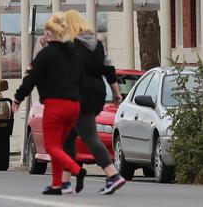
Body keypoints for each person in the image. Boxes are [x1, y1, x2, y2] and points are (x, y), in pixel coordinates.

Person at [13, 12, 85, 195]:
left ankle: (76, 170)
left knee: (51, 146)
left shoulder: (46, 55)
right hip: (74, 105)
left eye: (46, 32)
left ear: (53, 33)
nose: (44, 36)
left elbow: (31, 79)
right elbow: (81, 79)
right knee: (59, 146)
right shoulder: (74, 54)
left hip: (55, 105)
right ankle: (56, 185)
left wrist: (17, 99)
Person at [60, 11, 127, 195]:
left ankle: (113, 175)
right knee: (68, 137)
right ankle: (65, 183)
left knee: (90, 136)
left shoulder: (69, 45)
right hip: (96, 93)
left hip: (79, 96)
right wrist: (115, 92)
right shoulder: (97, 45)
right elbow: (109, 68)